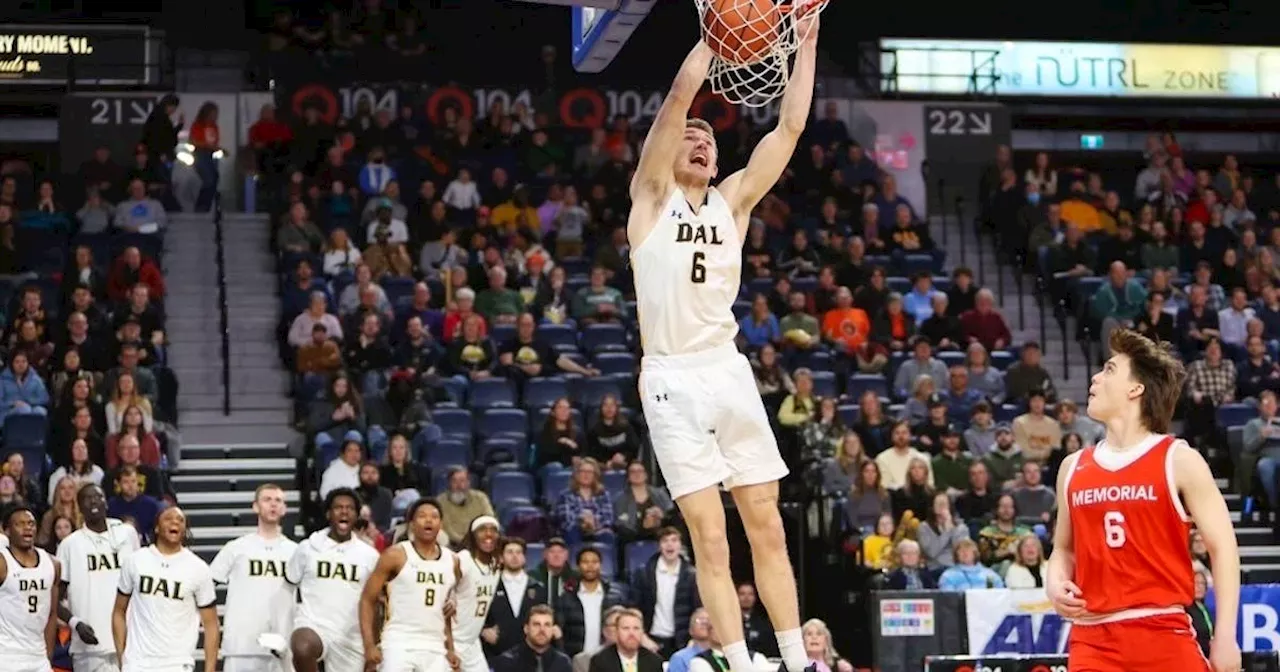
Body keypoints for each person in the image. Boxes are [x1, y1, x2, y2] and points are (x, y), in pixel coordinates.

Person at [626, 12, 822, 672]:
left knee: (765, 522)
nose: (703, 142)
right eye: (691, 138)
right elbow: (681, 100)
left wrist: (806, 44)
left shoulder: (732, 201)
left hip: (726, 369)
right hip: (671, 377)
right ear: (668, 151)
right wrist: (716, 34)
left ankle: (797, 662)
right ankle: (739, 664)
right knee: (711, 538)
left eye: (710, 138)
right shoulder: (651, 199)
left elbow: (790, 127)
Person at [1048, 329, 1241, 672]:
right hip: (1092, 639)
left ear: (1136, 389)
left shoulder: (1179, 460)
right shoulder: (1071, 467)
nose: (1095, 377)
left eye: (1109, 369)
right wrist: (1054, 581)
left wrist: (1224, 635)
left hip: (1161, 630)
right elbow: (1063, 548)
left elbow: (1223, 547)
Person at [112, 507, 219, 672]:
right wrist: (122, 657)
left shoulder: (198, 569)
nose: (175, 521)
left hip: (177, 663)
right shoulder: (135, 561)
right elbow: (119, 611)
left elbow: (211, 624)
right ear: (157, 527)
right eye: (168, 518)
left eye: (180, 520)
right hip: (137, 662)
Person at [359, 498, 459, 672]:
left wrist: (450, 649)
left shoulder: (453, 560)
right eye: (422, 516)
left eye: (434, 517)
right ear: (411, 524)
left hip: (435, 645)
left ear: (440, 524)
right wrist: (369, 645)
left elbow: (445, 612)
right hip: (398, 642)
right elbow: (367, 600)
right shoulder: (395, 555)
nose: (428, 520)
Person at [287, 488, 380, 672]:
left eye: (350, 508)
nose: (344, 511)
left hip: (351, 634)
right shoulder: (307, 548)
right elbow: (289, 584)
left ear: (356, 515)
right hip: (314, 624)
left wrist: (374, 644)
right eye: (338, 507)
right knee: (302, 646)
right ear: (328, 513)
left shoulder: (369, 555)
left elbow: (375, 603)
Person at [209, 484, 298, 672]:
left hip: (281, 645)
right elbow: (207, 585)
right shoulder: (236, 548)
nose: (273, 505)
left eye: (278, 501)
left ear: (284, 509)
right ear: (255, 506)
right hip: (241, 645)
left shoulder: (296, 552)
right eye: (267, 500)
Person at [57, 483, 141, 672]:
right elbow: (54, 597)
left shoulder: (127, 533)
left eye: (98, 496)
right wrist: (75, 623)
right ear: (79, 506)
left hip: (131, 642)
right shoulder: (70, 544)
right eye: (87, 498)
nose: (94, 500)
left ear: (107, 502)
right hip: (90, 647)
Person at [0, 502, 59, 672]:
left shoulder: (52, 564)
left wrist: (48, 654)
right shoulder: (3, 563)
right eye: (19, 524)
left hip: (38, 656)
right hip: (6, 656)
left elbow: (52, 613)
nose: (27, 528)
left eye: (31, 523)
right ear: (8, 530)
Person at [453, 516, 502, 672]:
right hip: (451, 640)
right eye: (482, 529)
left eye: (493, 530)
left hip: (472, 642)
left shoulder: (495, 565)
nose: (488, 534)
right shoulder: (463, 559)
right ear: (472, 535)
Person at [491, 604, 572, 672]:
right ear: (526, 629)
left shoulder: (563, 663)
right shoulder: (506, 662)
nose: (542, 630)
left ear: (553, 630)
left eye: (547, 625)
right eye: (536, 624)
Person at [587, 608, 664, 672]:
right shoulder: (600, 662)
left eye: (636, 628)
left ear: (642, 632)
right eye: (626, 628)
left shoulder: (655, 661)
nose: (631, 633)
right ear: (616, 632)